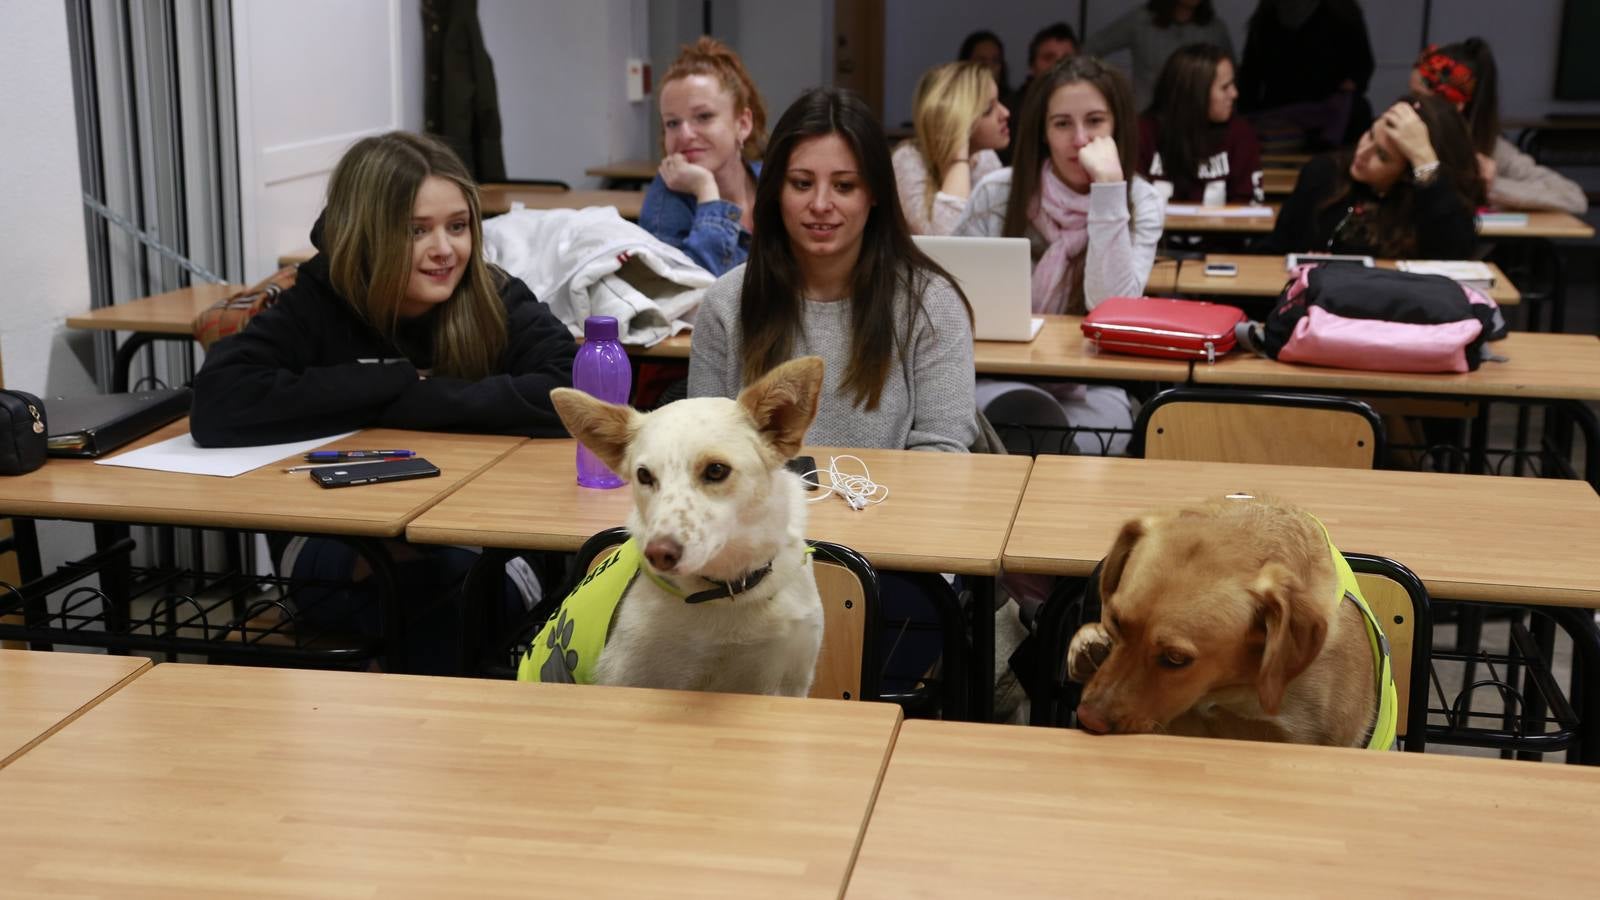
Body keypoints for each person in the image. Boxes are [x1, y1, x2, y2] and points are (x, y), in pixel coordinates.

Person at [191, 131, 578, 672]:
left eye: (458, 226)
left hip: (478, 540)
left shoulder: (492, 296)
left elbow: (571, 391)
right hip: (338, 532)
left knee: (441, 592)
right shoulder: (319, 300)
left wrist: (413, 400)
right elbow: (219, 401)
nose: (444, 249)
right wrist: (390, 382)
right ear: (367, 233)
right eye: (416, 231)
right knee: (408, 596)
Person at [689, 87, 978, 454]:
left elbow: (944, 452)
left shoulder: (932, 304)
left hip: (891, 508)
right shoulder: (726, 303)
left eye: (844, 186)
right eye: (802, 184)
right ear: (777, 190)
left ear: (874, 193)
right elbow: (702, 449)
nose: (821, 204)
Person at [956, 55, 1164, 452]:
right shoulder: (997, 192)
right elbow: (945, 302)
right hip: (997, 375)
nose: (1081, 139)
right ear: (1043, 132)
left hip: (1092, 385)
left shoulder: (1141, 199)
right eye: (1062, 123)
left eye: (1095, 121)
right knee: (1024, 413)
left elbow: (1111, 307)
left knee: (1058, 435)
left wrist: (1108, 191)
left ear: (1117, 125)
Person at [1267, 95, 1485, 259]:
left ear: (1408, 176)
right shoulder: (1324, 173)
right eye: (1370, 134)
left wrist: (1424, 160)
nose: (1362, 153)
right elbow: (1276, 251)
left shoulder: (1431, 203)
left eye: (1382, 156)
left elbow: (1455, 258)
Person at [638, 37, 768, 277]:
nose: (685, 135)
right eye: (673, 123)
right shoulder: (666, 198)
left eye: (704, 116)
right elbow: (693, 298)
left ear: (743, 124)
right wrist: (706, 190)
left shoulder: (775, 181)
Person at [1411, 38, 1588, 215]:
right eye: (1411, 96)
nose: (1410, 107)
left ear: (1455, 105)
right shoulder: (1398, 136)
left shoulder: (1489, 148)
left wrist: (1488, 186)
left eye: (1420, 100)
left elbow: (1573, 198)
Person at [1236, 0, 1374, 149]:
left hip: (1327, 114)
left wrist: (1349, 88)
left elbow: (1362, 66)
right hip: (1279, 115)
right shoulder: (1267, 14)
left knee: (1355, 112)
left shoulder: (1342, 12)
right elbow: (1250, 76)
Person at [893, 61, 1011, 235]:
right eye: (988, 109)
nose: (1005, 113)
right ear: (960, 120)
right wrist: (958, 158)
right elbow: (949, 244)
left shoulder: (985, 158)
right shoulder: (907, 160)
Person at [1139, 42, 1263, 205]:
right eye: (1225, 87)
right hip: (1154, 231)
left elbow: (1249, 206)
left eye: (1233, 84)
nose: (1234, 93)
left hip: (1224, 230)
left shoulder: (1240, 134)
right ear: (1195, 93)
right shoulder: (1142, 132)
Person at [1084, 0, 1233, 111]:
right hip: (1147, 120)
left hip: (1197, 123)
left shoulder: (1214, 29)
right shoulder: (1141, 21)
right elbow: (1092, 47)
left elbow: (1232, 75)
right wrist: (1111, 90)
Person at [1003, 22, 1081, 164]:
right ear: (1032, 66)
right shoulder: (1008, 111)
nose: (1059, 65)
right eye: (1049, 57)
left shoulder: (1090, 105)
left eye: (1066, 59)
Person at [957, 29, 1010, 100]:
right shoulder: (954, 101)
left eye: (995, 61)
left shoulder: (1013, 104)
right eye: (982, 61)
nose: (989, 66)